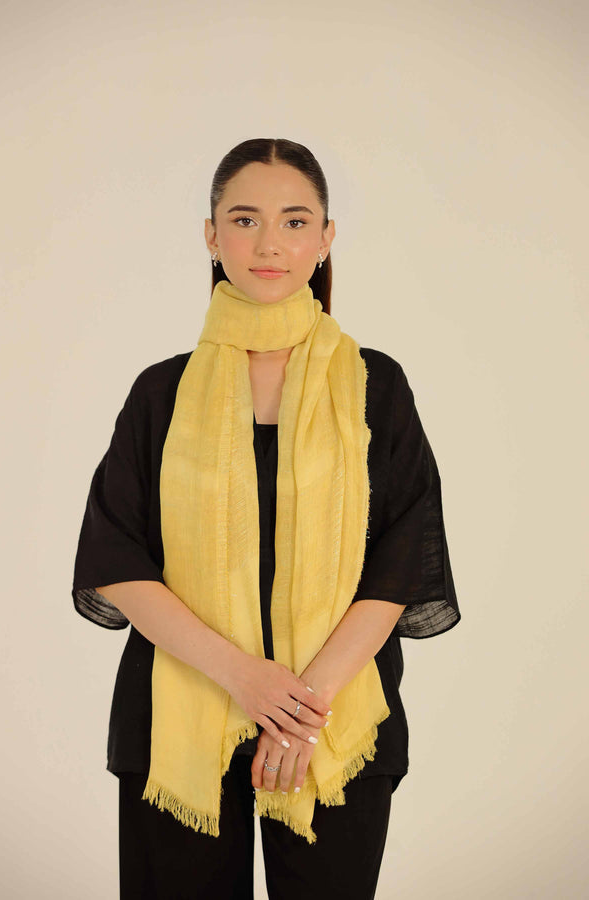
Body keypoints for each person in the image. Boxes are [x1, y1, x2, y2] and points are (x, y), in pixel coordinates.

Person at [72, 137, 461, 900]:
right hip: (177, 724)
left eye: (295, 221)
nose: (270, 244)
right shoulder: (161, 393)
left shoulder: (376, 386)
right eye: (245, 220)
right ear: (212, 236)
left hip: (337, 723)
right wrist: (245, 679)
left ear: (326, 238)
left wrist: (301, 711)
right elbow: (115, 557)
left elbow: (402, 556)